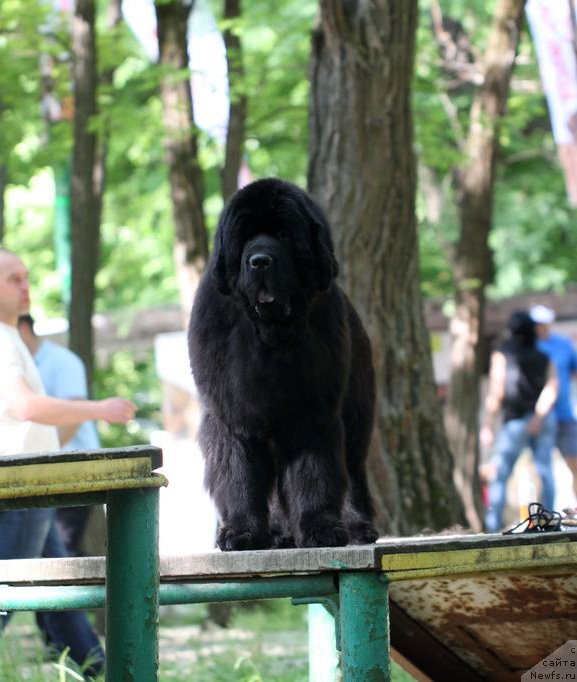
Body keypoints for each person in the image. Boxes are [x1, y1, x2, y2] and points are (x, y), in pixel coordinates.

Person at [0, 247, 136, 679]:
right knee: (8, 594)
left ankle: (95, 669)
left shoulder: (10, 337)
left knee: (57, 593)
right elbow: (25, 407)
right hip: (24, 486)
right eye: (12, 279)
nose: (25, 287)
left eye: (25, 276)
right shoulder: (2, 339)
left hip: (34, 486)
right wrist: (97, 409)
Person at [18, 313, 101, 555]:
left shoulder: (62, 362)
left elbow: (72, 418)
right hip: (43, 475)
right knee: (50, 551)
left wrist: (39, 462)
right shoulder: (20, 367)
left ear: (23, 329)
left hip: (73, 472)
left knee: (60, 546)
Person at [480, 310, 558, 533]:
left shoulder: (503, 354)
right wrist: (539, 415)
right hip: (542, 420)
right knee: (545, 471)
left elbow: (497, 392)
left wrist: (487, 425)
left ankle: (493, 525)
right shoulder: (544, 357)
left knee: (501, 473)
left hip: (514, 422)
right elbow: (552, 387)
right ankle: (550, 519)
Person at [530, 304, 577, 498]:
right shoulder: (527, 346)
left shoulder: (563, 344)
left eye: (545, 322)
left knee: (574, 463)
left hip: (564, 414)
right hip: (535, 418)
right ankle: (540, 516)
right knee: (538, 469)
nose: (542, 326)